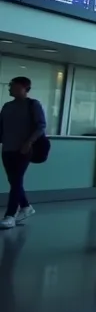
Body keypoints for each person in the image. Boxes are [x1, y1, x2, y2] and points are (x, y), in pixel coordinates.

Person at [0, 76, 45, 230]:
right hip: (7, 149)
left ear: (24, 88)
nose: (9, 88)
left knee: (16, 180)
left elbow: (41, 126)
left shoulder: (33, 105)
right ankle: (26, 207)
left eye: (13, 86)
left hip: (24, 150)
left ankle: (10, 215)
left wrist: (29, 142)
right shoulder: (7, 106)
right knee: (14, 181)